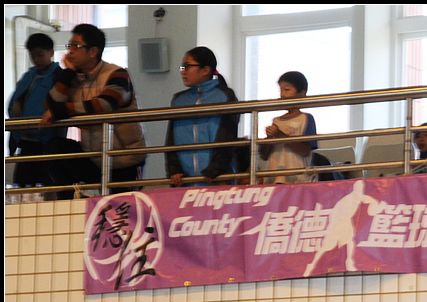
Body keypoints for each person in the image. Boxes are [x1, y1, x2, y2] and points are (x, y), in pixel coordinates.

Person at [41, 23, 146, 198]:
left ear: (93, 51)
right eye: (69, 45)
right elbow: (51, 105)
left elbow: (105, 104)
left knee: (120, 208)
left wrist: (62, 110)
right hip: (95, 157)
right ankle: (68, 202)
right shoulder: (74, 78)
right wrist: (68, 73)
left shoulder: (117, 74)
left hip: (125, 160)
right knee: (55, 147)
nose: (70, 51)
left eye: (76, 46)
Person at [165, 46, 244, 187]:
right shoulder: (178, 100)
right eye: (182, 67)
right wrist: (174, 170)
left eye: (187, 66)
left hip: (216, 179)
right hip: (186, 181)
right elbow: (171, 138)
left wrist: (215, 169)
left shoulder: (224, 96)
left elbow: (228, 136)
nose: (183, 71)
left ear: (205, 70)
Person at [7, 33, 67, 187]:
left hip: (47, 143)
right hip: (25, 141)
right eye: (33, 56)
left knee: (47, 186)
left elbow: (62, 106)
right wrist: (15, 110)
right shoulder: (29, 76)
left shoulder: (59, 77)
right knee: (22, 187)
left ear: (51, 52)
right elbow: (14, 102)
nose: (36, 60)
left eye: (40, 55)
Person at [259, 71, 318, 184]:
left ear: (302, 93)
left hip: (297, 178)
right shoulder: (276, 121)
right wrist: (269, 139)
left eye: (287, 90)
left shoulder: (306, 118)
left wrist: (280, 135)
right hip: (274, 177)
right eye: (280, 90)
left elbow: (305, 150)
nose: (282, 95)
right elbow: (264, 155)